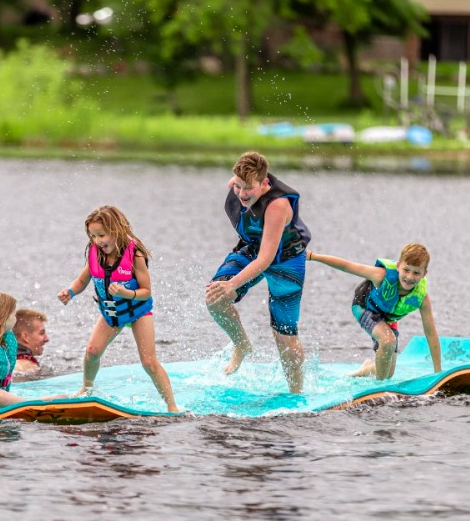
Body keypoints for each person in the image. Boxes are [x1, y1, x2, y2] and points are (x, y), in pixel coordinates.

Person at [205, 151, 311, 394]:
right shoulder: (238, 184)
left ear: (265, 184)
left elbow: (266, 259)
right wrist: (226, 286)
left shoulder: (277, 206)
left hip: (286, 262)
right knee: (214, 298)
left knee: (284, 335)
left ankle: (296, 393)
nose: (242, 194)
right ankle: (242, 345)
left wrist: (232, 284)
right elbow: (258, 253)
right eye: (238, 187)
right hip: (252, 249)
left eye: (248, 189)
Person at [57, 205, 180, 413]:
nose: (97, 241)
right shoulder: (95, 253)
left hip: (138, 311)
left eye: (101, 235)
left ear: (116, 231)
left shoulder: (135, 254)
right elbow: (82, 280)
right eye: (93, 236)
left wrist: (126, 293)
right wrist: (70, 292)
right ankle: (86, 390)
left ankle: (172, 405)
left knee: (149, 362)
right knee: (92, 351)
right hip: (112, 312)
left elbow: (146, 291)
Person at [306, 243, 442, 380]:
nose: (410, 276)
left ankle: (365, 370)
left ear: (424, 274)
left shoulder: (422, 299)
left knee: (388, 372)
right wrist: (312, 256)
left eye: (416, 272)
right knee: (388, 340)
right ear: (398, 266)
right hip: (364, 307)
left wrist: (438, 373)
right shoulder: (380, 276)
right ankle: (379, 387)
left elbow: (430, 333)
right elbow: (347, 266)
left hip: (388, 318)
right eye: (406, 270)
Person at [12, 308, 49, 377]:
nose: (47, 339)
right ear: (25, 336)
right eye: (41, 333)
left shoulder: (6, 357)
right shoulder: (27, 366)